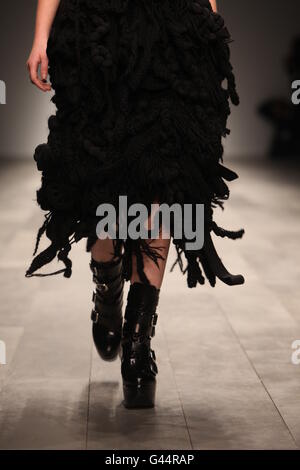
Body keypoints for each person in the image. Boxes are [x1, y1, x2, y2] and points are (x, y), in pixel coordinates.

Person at [26, 0, 244, 409]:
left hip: (174, 28)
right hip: (98, 31)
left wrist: (209, 25)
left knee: (166, 178)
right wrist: (41, 37)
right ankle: (107, 288)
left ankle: (138, 343)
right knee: (103, 184)